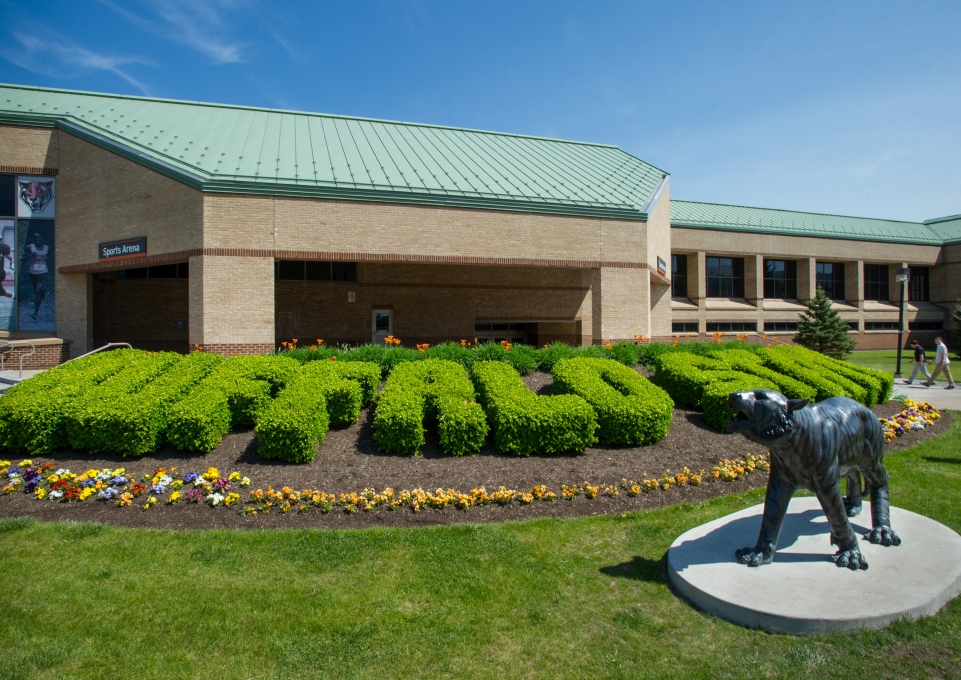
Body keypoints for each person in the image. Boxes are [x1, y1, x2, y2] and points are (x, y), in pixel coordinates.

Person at [20, 231, 48, 320]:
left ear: (42, 238)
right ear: (33, 239)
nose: (38, 239)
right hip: (32, 272)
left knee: (37, 290)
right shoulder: (29, 247)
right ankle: (43, 291)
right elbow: (21, 259)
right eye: (36, 238)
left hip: (43, 272)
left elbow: (52, 259)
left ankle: (35, 313)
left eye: (39, 238)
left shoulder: (47, 248)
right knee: (37, 292)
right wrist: (30, 255)